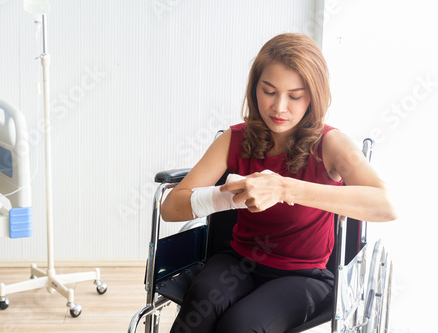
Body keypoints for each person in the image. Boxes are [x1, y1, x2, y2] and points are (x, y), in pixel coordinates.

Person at [160, 33, 396, 333]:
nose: (279, 107)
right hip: (238, 260)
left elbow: (387, 205)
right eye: (268, 91)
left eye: (294, 96)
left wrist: (285, 188)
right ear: (254, 88)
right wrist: (226, 196)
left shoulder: (331, 144)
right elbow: (171, 207)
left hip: (304, 277)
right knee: (201, 306)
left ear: (313, 96)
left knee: (241, 325)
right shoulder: (234, 139)